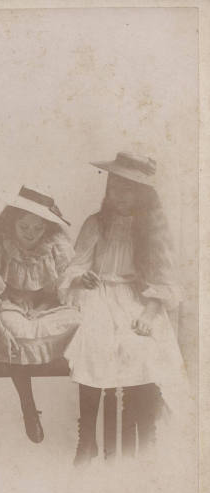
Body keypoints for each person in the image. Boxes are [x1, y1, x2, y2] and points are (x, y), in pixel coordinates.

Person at [59, 152, 186, 465]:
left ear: (143, 193)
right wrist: (81, 278)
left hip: (137, 298)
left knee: (140, 347)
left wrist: (149, 313)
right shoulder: (95, 223)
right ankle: (86, 438)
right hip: (98, 293)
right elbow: (75, 265)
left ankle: (133, 437)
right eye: (114, 187)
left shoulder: (152, 230)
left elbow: (165, 281)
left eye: (127, 189)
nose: (118, 195)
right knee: (95, 343)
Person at [0, 186, 82, 443]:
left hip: (47, 307)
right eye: (24, 227)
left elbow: (65, 285)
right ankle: (28, 406)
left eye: (38, 228)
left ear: (47, 228)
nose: (31, 234)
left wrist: (76, 284)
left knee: (78, 322)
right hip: (7, 305)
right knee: (14, 333)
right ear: (12, 222)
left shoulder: (56, 245)